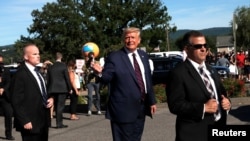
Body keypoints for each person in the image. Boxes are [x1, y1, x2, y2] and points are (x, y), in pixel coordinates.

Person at [92, 27, 157, 141]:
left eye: (133, 37)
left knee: (136, 138)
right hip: (122, 110)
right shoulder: (115, 57)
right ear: (123, 40)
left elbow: (147, 80)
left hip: (141, 109)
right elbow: (107, 78)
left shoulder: (143, 56)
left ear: (139, 40)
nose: (130, 40)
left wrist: (151, 101)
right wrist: (99, 73)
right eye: (127, 38)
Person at [166, 30, 231, 141]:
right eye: (198, 46)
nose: (203, 49)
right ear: (187, 49)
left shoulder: (211, 70)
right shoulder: (178, 73)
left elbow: (222, 94)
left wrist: (227, 102)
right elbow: (175, 105)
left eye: (205, 45)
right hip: (194, 134)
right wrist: (203, 108)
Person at [11, 44, 54, 141]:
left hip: (43, 120)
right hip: (30, 122)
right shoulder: (20, 74)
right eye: (34, 54)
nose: (38, 56)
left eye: (38, 54)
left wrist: (50, 98)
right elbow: (16, 100)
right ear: (26, 57)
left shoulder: (38, 72)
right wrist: (24, 120)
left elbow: (42, 91)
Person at [47, 52, 72, 128]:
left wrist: (48, 89)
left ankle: (48, 123)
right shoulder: (63, 66)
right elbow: (67, 78)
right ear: (61, 57)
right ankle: (59, 123)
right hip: (62, 88)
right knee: (60, 106)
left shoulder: (51, 67)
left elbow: (48, 79)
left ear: (55, 57)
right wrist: (69, 88)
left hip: (52, 88)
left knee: (50, 106)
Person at [0, 54, 15, 140]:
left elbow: (9, 82)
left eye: (1, 62)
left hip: (5, 97)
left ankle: (8, 134)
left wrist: (3, 89)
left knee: (8, 114)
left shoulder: (6, 70)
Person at [83, 52, 102, 116]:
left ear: (94, 56)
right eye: (90, 56)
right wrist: (88, 67)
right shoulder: (87, 63)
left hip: (96, 81)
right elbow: (83, 70)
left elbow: (100, 69)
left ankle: (98, 109)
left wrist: (95, 66)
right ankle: (89, 110)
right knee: (90, 96)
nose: (91, 57)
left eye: (92, 56)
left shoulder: (97, 62)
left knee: (97, 96)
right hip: (89, 82)